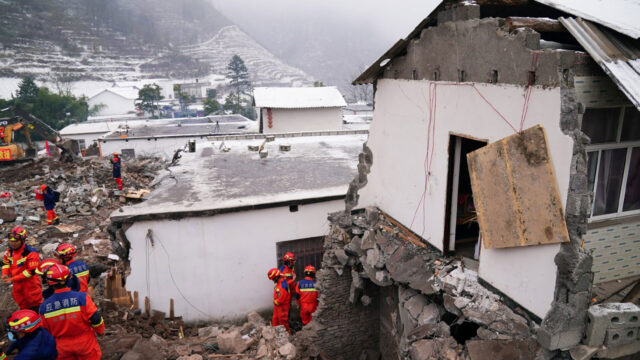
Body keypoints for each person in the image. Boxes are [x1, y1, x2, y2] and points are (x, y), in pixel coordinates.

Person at [39, 263, 104, 360]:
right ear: (69, 279)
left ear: (49, 282)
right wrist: (100, 331)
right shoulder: (82, 298)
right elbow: (95, 318)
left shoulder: (44, 307)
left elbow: (44, 331)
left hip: (61, 347)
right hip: (85, 344)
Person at [1, 227, 42, 312]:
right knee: (22, 305)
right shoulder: (9, 252)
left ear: (22, 240)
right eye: (11, 241)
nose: (13, 244)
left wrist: (12, 279)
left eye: (16, 241)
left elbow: (30, 271)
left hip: (30, 284)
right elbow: (5, 264)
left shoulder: (30, 253)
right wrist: (4, 274)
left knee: (36, 306)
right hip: (17, 284)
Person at [268, 268, 290, 333]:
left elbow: (280, 300)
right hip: (277, 307)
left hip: (282, 307)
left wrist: (274, 301)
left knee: (283, 323)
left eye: (273, 279)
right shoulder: (280, 282)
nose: (272, 280)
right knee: (275, 321)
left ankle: (287, 336)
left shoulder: (282, 286)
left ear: (277, 277)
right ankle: (276, 334)